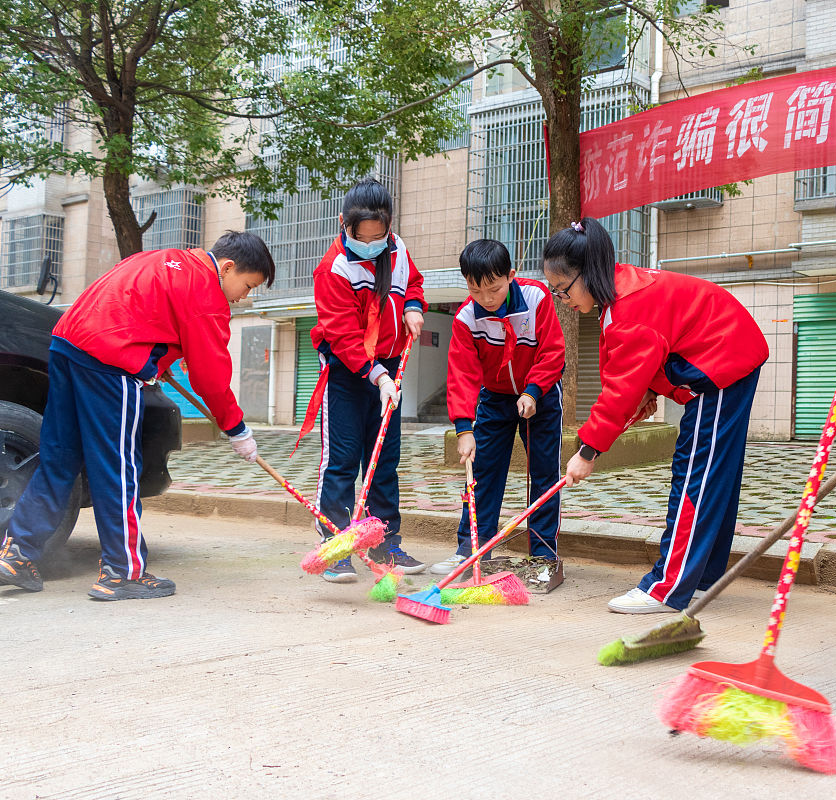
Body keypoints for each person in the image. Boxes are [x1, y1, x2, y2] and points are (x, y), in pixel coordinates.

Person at [0, 231, 275, 600]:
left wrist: (156, 360)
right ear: (227, 268)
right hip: (110, 364)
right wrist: (237, 429)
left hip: (68, 346)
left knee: (59, 457)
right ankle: (122, 571)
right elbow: (210, 377)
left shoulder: (163, 258)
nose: (245, 295)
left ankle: (18, 554)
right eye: (248, 284)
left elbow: (137, 309)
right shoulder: (207, 292)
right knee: (117, 467)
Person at [545, 217, 767, 613]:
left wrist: (587, 450)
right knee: (716, 475)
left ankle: (667, 587)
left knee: (695, 477)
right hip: (729, 358)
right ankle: (701, 578)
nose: (564, 300)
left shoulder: (628, 309)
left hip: (722, 367)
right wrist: (651, 389)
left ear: (588, 272)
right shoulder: (621, 290)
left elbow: (619, 390)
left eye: (563, 290)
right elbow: (640, 369)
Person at [305, 178, 427, 581]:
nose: (374, 244)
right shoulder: (333, 268)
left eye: (381, 235)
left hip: (389, 368)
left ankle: (384, 542)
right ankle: (336, 546)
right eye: (365, 237)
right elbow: (341, 335)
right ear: (345, 224)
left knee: (383, 461)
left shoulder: (399, 249)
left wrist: (412, 306)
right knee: (341, 463)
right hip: (348, 372)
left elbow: (413, 283)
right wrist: (375, 375)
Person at [433, 240, 565, 574]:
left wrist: (533, 392)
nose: (487, 300)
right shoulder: (466, 318)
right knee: (481, 474)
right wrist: (464, 429)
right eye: (476, 291)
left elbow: (553, 352)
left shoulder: (536, 298)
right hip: (494, 397)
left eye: (494, 289)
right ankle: (473, 550)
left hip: (541, 395)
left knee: (544, 473)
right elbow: (461, 374)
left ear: (511, 276)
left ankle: (543, 555)